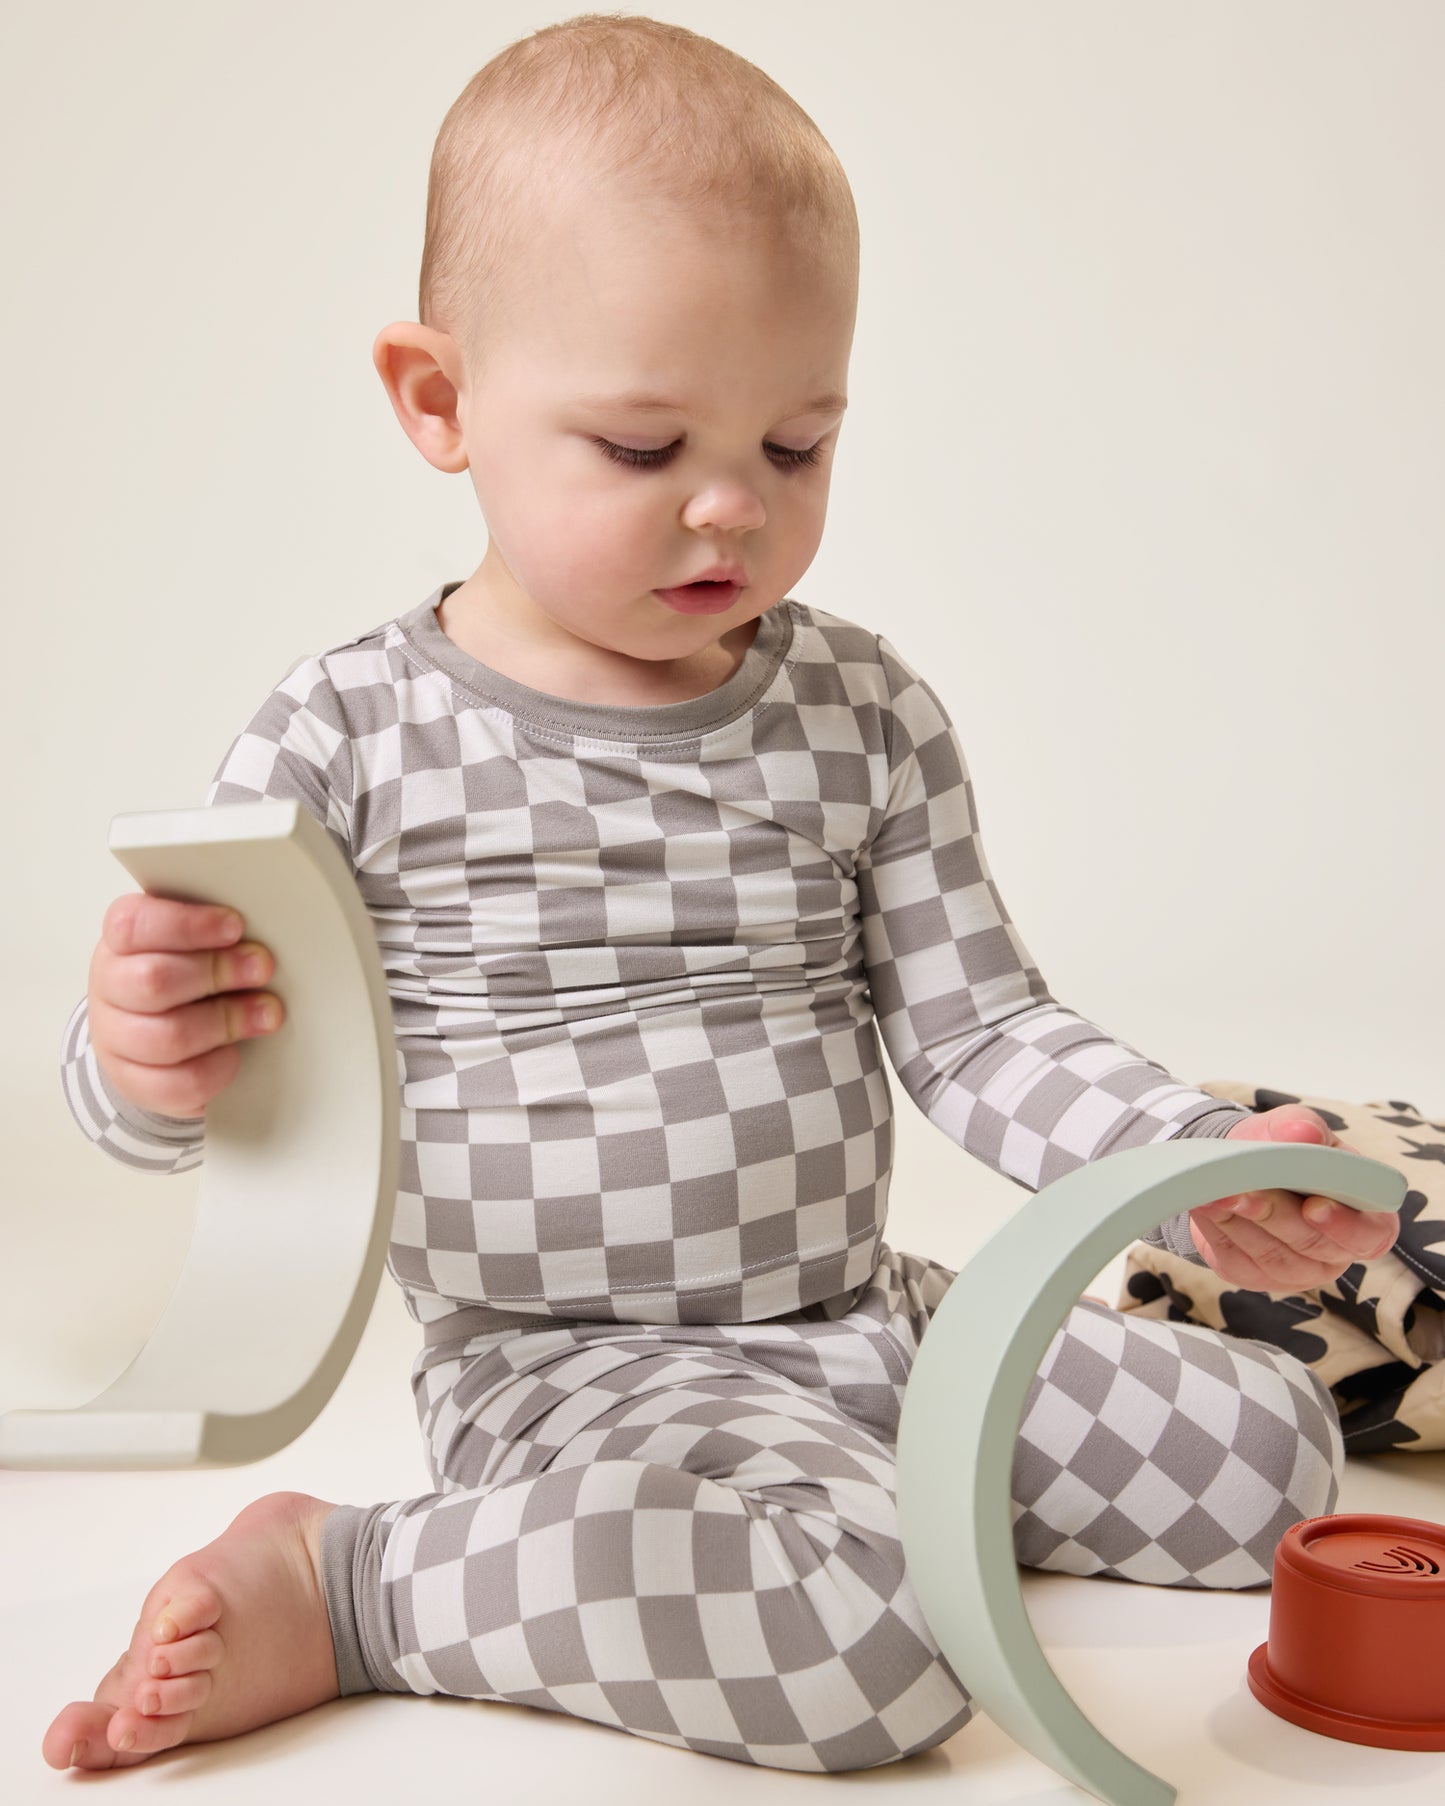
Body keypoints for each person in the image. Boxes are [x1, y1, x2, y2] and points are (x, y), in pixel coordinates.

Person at [43, 11, 1400, 1778]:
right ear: (438, 401)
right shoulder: (348, 733)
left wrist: (1175, 1167)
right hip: (575, 1366)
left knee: (1274, 1453)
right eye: (638, 447)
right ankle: (355, 1579)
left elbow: (981, 1027)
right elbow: (190, 1112)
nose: (728, 515)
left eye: (795, 445)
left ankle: (799, 1519)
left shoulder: (860, 706)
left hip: (870, 1317)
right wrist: (141, 1056)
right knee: (864, 1657)